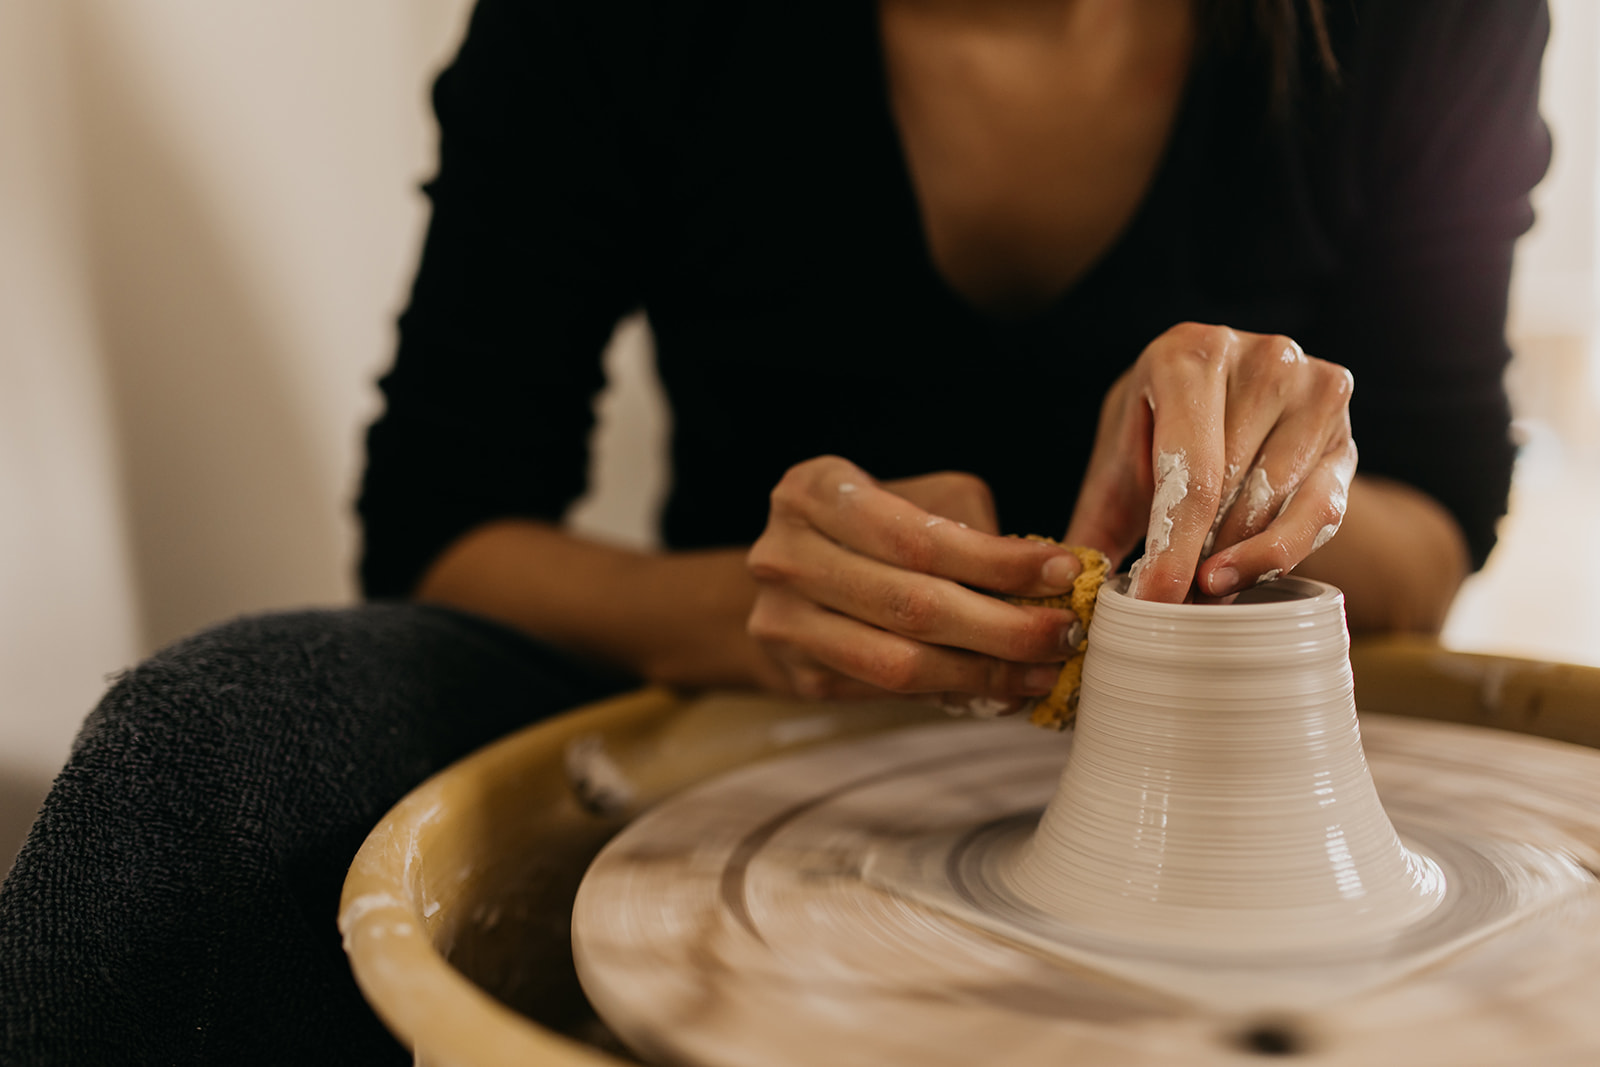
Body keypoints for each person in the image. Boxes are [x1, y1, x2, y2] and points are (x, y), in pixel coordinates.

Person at [0, 0, 1551, 1063]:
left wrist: (1267, 510)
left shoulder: (1422, 21)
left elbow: (1437, 519)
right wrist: (749, 614)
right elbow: (439, 525)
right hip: (733, 701)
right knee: (196, 768)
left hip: (1241, 805)